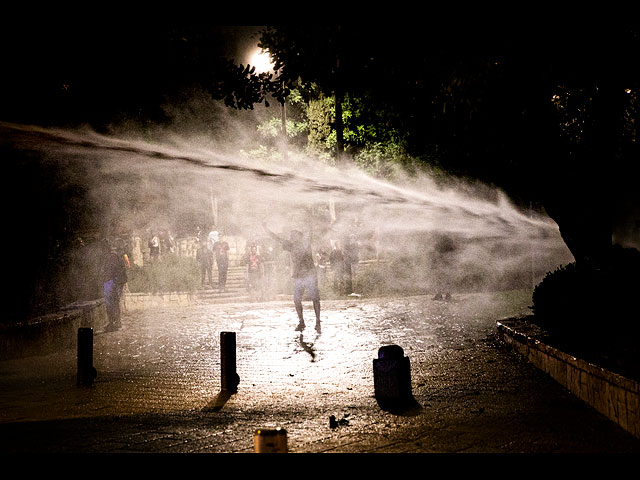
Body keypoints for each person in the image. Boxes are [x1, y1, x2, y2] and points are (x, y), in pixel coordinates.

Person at [263, 221, 321, 333]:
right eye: (291, 235)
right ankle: (301, 321)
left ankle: (318, 321)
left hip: (310, 274)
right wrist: (266, 229)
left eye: (294, 235)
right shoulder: (291, 246)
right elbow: (277, 238)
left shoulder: (306, 243)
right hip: (299, 276)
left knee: (315, 298)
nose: (291, 237)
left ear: (299, 236)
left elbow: (311, 232)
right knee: (296, 299)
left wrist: (310, 222)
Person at [101, 239, 128, 332]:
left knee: (111, 303)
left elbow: (115, 271)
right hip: (114, 281)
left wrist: (115, 283)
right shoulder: (114, 257)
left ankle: (114, 322)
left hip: (112, 281)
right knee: (114, 302)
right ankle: (115, 322)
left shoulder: (111, 257)